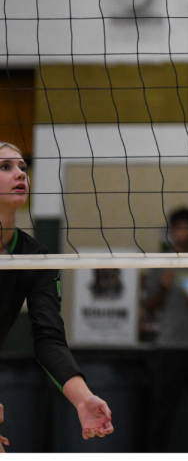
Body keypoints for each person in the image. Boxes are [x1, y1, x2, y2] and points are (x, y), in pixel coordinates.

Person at [0, 142, 114, 446]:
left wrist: (83, 399)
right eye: (5, 167)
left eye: (23, 167)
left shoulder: (35, 257)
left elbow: (49, 339)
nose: (20, 174)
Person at [142, 207, 188, 451]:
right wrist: (163, 287)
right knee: (161, 414)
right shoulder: (161, 262)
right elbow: (148, 307)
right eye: (179, 227)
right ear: (172, 232)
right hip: (170, 348)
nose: (184, 232)